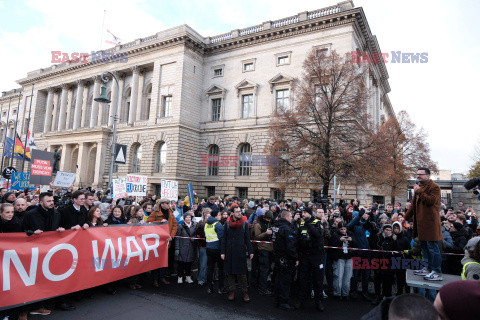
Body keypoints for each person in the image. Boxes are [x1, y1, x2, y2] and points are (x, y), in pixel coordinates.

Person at [405, 167, 443, 281]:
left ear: (428, 176)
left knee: (433, 248)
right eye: (417, 174)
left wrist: (418, 191)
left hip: (430, 224)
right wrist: (405, 217)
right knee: (424, 248)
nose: (418, 176)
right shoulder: (419, 188)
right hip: (420, 225)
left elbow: (431, 201)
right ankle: (427, 268)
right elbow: (413, 206)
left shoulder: (434, 187)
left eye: (420, 174)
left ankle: (436, 272)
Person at [221, 204, 253, 303]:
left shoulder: (244, 224)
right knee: (230, 273)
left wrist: (250, 251)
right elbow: (224, 239)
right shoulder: (227, 224)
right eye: (237, 212)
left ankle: (244, 292)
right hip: (229, 252)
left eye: (240, 211)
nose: (240, 213)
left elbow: (247, 239)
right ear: (232, 213)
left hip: (240, 252)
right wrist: (222, 252)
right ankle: (232, 291)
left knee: (242, 274)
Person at [296, 207, 325, 311]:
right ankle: (300, 300)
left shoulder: (317, 222)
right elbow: (299, 239)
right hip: (305, 255)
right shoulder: (302, 224)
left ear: (309, 213)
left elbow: (318, 235)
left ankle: (319, 301)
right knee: (302, 279)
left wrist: (309, 224)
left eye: (304, 213)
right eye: (302, 212)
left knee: (318, 280)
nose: (302, 214)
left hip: (316, 256)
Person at [272, 210, 298, 311]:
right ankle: (283, 302)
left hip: (278, 258)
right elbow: (290, 247)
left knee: (278, 279)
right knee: (285, 282)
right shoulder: (287, 229)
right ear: (286, 217)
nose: (292, 218)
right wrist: (295, 258)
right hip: (286, 259)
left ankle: (277, 300)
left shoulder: (277, 227)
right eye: (291, 216)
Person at [147, 198, 177, 287]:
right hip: (157, 241)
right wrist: (159, 222)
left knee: (164, 260)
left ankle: (162, 277)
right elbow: (148, 223)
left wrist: (171, 236)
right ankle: (155, 279)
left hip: (167, 240)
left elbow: (175, 225)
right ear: (162, 204)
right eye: (167, 203)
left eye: (169, 203)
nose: (168, 205)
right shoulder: (155, 213)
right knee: (156, 260)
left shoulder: (170, 212)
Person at [330, 222, 355, 300]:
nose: (343, 231)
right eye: (341, 229)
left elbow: (356, 244)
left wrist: (351, 240)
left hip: (349, 257)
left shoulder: (350, 234)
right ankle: (337, 293)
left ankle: (345, 293)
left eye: (344, 229)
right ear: (339, 229)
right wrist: (339, 240)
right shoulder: (335, 235)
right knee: (338, 276)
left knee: (348, 277)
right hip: (339, 258)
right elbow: (332, 245)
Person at [205, 209, 226, 294]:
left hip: (209, 249)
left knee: (210, 269)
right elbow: (222, 239)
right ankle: (221, 288)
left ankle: (209, 288)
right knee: (221, 269)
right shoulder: (218, 225)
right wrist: (223, 251)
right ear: (215, 216)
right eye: (219, 215)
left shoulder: (206, 224)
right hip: (217, 249)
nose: (220, 216)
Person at [254, 210, 274, 296]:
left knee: (267, 269)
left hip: (270, 249)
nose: (269, 220)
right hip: (263, 249)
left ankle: (262, 286)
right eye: (268, 218)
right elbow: (257, 237)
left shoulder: (271, 223)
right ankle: (262, 288)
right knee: (264, 269)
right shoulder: (258, 225)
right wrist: (266, 233)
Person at [175, 212, 197, 284]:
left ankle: (188, 276)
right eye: (187, 217)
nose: (188, 219)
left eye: (189, 217)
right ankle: (180, 277)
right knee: (181, 263)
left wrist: (194, 238)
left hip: (191, 247)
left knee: (189, 264)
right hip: (182, 247)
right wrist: (177, 248)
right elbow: (177, 238)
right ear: (184, 218)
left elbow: (196, 235)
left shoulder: (194, 225)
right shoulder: (180, 226)